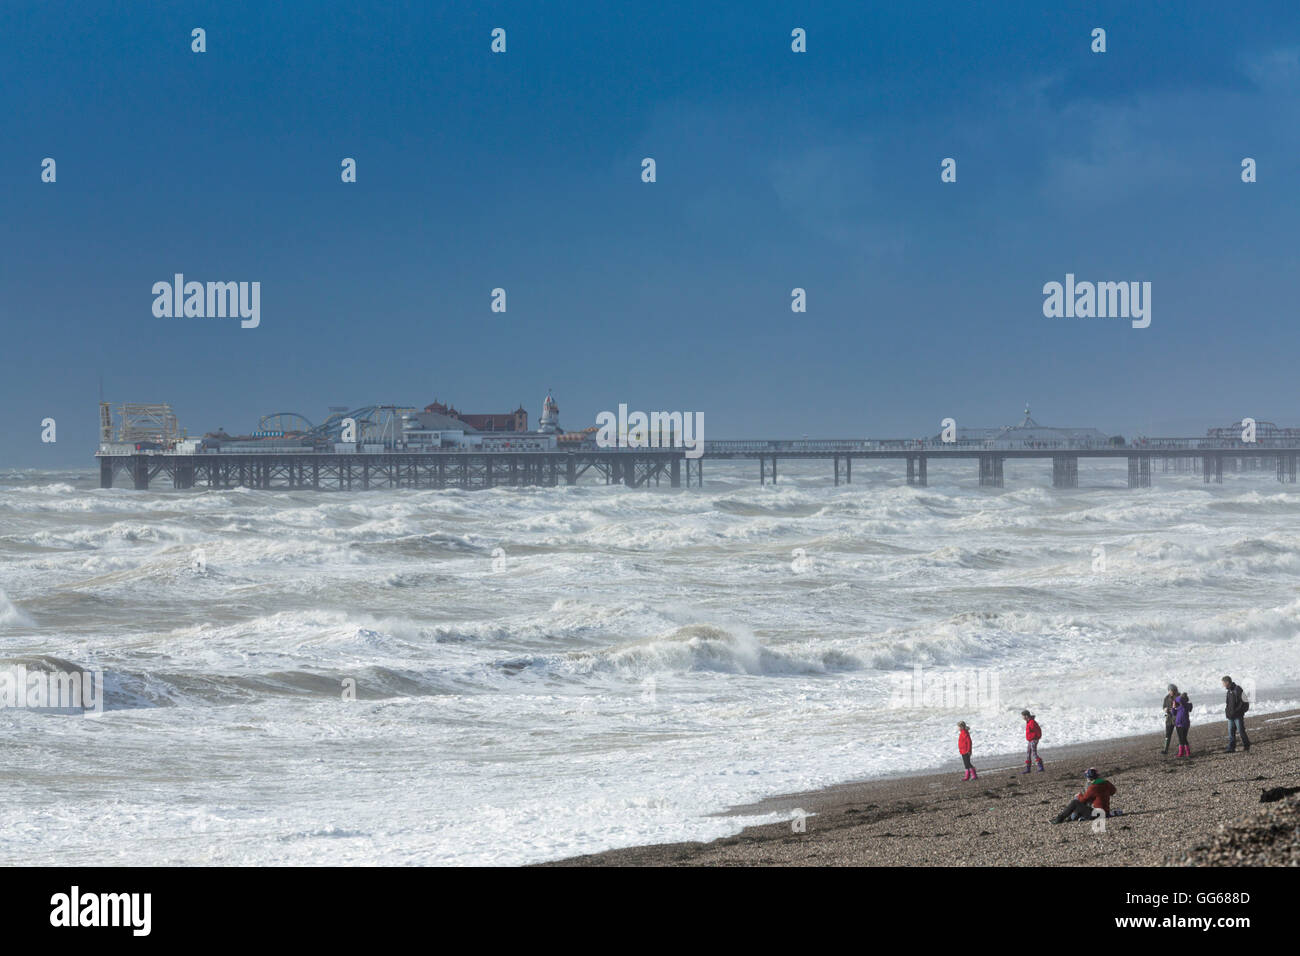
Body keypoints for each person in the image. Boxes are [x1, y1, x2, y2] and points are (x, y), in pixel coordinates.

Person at [1052, 768, 1119, 824]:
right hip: (1106, 811)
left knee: (1075, 802)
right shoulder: (1106, 782)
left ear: (1088, 778)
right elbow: (1113, 791)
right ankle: (1071, 817)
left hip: (1097, 814)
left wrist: (1079, 795)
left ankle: (1059, 819)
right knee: (1080, 803)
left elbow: (1083, 800)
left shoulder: (1093, 787)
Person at [1222, 676, 1251, 752]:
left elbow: (1244, 702)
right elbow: (1228, 704)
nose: (1223, 685)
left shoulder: (1238, 689)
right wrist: (1227, 712)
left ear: (1227, 682)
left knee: (1241, 731)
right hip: (1231, 716)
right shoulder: (1228, 691)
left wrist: (1237, 712)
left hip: (1238, 715)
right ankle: (1231, 748)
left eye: (1223, 683)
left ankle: (1246, 745)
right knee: (1230, 732)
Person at [1172, 689, 1192, 757]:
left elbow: (1180, 699)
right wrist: (1173, 707)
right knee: (1182, 738)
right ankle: (1184, 752)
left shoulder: (1186, 705)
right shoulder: (1179, 706)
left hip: (1184, 724)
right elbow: (1174, 713)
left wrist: (1176, 700)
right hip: (1178, 724)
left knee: (1183, 738)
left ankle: (1183, 752)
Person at [1161, 684, 1178, 754]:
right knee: (1168, 734)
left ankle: (1183, 749)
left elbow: (1182, 706)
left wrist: (1175, 709)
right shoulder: (1166, 698)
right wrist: (1166, 709)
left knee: (1181, 735)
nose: (1172, 692)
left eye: (1173, 690)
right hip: (1169, 718)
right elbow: (1164, 707)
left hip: (1177, 718)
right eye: (1170, 690)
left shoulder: (1179, 697)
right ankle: (1165, 749)